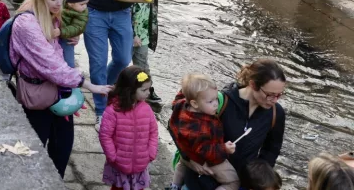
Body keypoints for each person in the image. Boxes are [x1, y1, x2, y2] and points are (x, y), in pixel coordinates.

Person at [9, 0, 113, 177]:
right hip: (38, 94)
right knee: (35, 149)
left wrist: (70, 34)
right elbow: (50, 64)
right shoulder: (27, 24)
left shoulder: (50, 14)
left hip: (59, 90)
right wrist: (87, 84)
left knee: (63, 147)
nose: (59, 4)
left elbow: (60, 42)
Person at [182, 60, 287, 190]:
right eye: (270, 95)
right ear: (253, 85)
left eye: (279, 95)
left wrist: (259, 181)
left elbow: (271, 150)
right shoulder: (218, 102)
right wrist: (189, 159)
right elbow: (179, 127)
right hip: (201, 180)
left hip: (240, 185)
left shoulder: (276, 113)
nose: (274, 100)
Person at [170, 73, 241, 190]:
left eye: (216, 99)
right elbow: (206, 151)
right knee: (233, 181)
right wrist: (224, 149)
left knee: (182, 164)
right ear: (194, 103)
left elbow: (179, 96)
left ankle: (174, 186)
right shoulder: (199, 128)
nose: (216, 104)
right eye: (210, 101)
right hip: (205, 159)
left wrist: (187, 88)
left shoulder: (181, 104)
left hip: (187, 152)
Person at [99, 66, 159, 190]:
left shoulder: (147, 109)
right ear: (130, 89)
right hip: (119, 164)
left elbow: (153, 132)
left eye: (149, 89)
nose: (148, 93)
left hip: (140, 162)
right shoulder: (113, 110)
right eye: (144, 90)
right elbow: (105, 135)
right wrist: (113, 156)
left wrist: (151, 152)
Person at [131, 0, 160, 106]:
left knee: (143, 66)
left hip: (144, 38)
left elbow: (152, 20)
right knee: (122, 63)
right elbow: (126, 18)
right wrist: (133, 35)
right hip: (130, 38)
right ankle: (121, 88)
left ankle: (147, 89)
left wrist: (151, 37)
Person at [60, 0, 90, 68]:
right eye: (82, 4)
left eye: (86, 3)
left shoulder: (83, 12)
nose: (85, 7)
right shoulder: (60, 3)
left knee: (69, 63)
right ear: (70, 3)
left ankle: (70, 71)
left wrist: (60, 32)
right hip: (54, 36)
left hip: (67, 38)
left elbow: (78, 27)